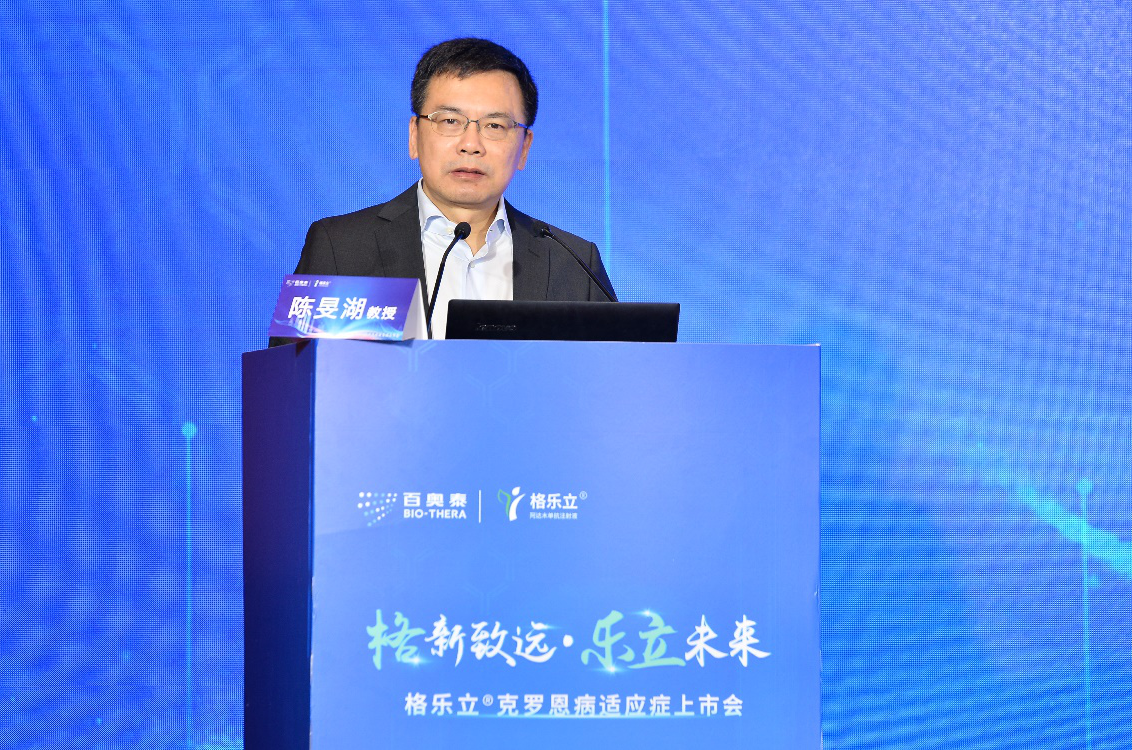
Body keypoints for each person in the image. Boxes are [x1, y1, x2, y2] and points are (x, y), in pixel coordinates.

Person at [287, 37, 616, 339]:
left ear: (524, 148)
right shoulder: (342, 248)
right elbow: (291, 376)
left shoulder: (572, 262)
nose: (470, 144)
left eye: (495, 125)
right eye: (449, 121)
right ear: (414, 135)